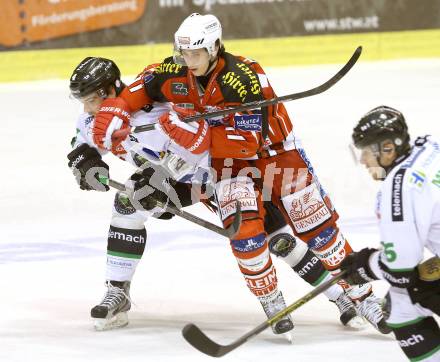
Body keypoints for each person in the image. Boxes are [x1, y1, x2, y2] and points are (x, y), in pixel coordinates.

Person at [90, 13, 390, 334]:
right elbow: (143, 87)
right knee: (245, 236)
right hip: (225, 164)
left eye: (196, 54)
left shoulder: (242, 78)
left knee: (319, 233)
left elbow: (249, 143)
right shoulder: (175, 71)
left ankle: (362, 297)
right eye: (184, 53)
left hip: (277, 154)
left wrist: (199, 137)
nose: (188, 61)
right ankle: (272, 300)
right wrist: (116, 108)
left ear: (215, 48)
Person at [341, 105, 440, 361]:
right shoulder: (430, 149)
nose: (363, 160)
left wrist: (364, 266)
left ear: (387, 148)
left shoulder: (401, 186)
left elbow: (401, 268)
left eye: (366, 151)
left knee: (401, 303)